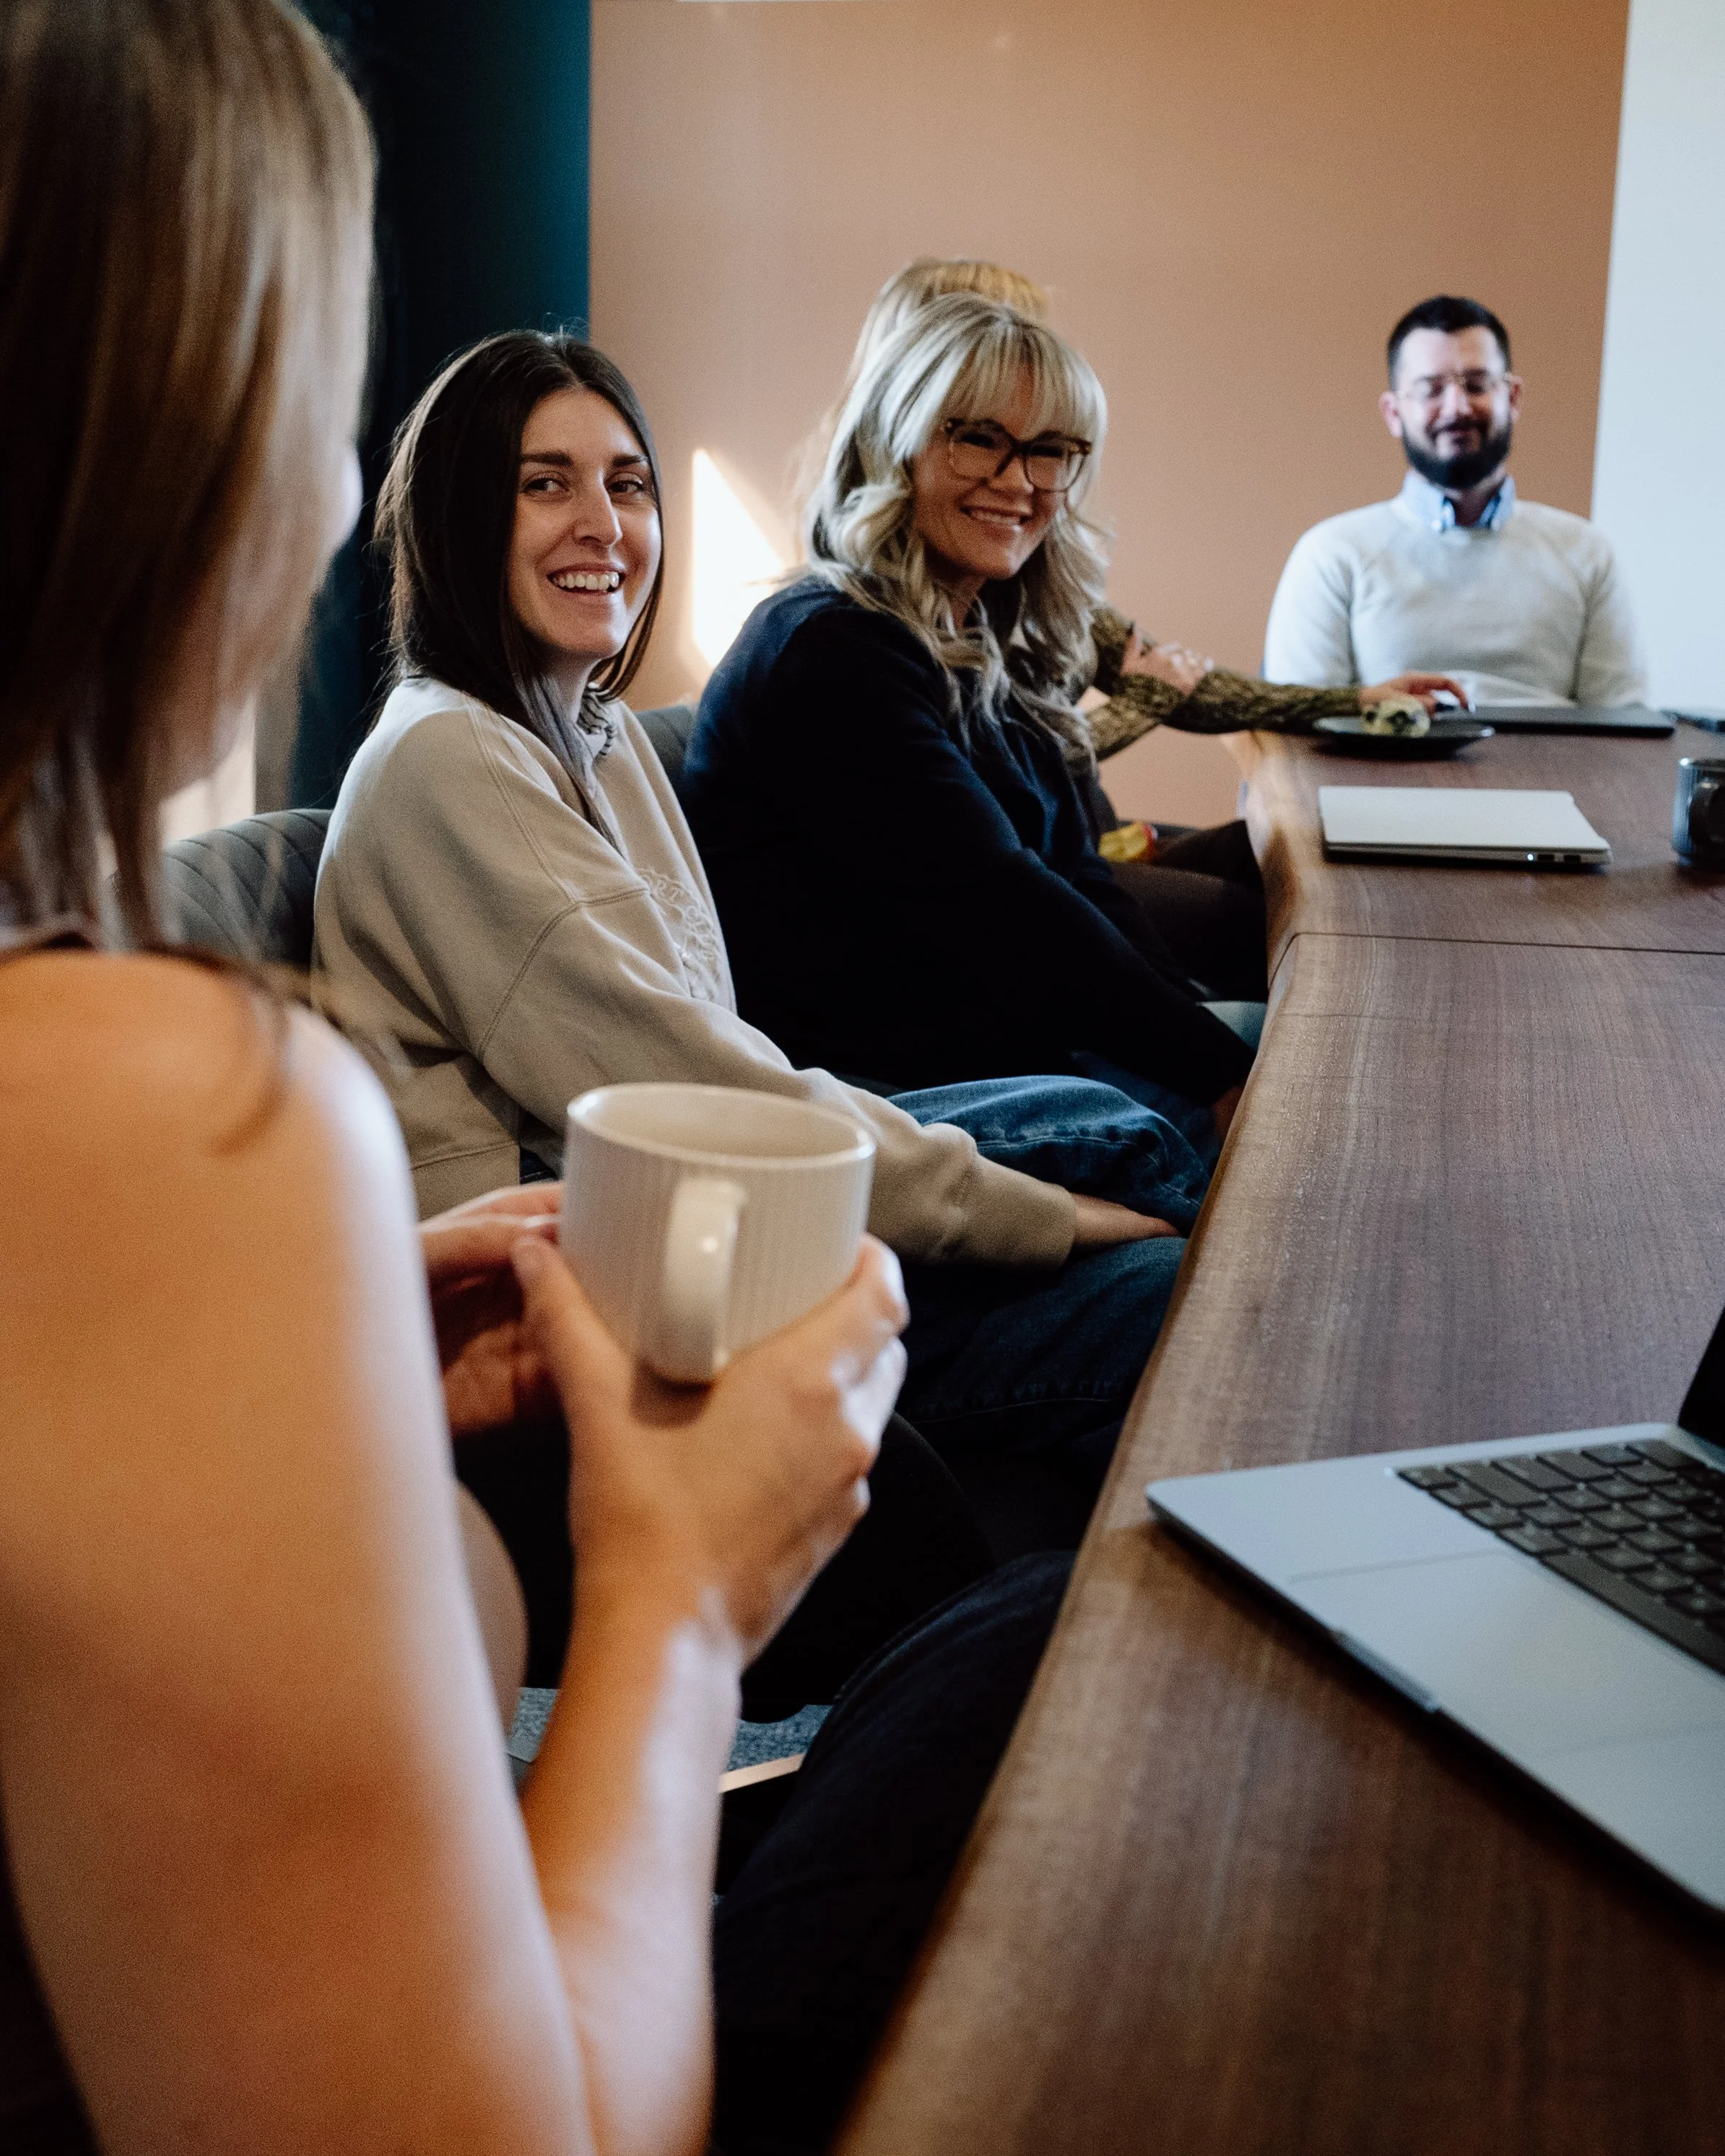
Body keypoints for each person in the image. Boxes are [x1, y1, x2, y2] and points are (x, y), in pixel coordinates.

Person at [0, 6, 1073, 2152]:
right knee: (1068, 1657)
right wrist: (686, 1589)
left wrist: (347, 1356)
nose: (325, 497)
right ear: (175, 448)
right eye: (321, 407)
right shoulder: (168, 1099)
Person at [312, 329, 1211, 1547]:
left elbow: (715, 1063)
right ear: (453, 517)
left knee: (1129, 1139)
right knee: (1169, 1277)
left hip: (688, 1231)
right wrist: (1050, 1220)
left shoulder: (594, 730)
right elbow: (689, 1099)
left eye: (625, 483)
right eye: (544, 482)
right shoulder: (447, 761)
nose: (603, 522)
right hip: (593, 1317)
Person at [755, 264, 1459, 1008]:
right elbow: (979, 813)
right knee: (1265, 923)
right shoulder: (850, 635)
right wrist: (1141, 705)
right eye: (985, 415)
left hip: (1073, 851)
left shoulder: (1013, 572)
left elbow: (1181, 692)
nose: (1021, 452)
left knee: (1290, 865)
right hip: (1003, 906)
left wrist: (1350, 698)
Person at [1263, 293, 1648, 710]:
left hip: (1560, 775)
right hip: (1383, 774)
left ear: (1513, 398)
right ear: (1393, 413)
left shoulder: (1586, 552)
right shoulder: (1332, 554)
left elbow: (1625, 725)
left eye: (1478, 385)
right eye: (1431, 390)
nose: (1457, 407)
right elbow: (1299, 724)